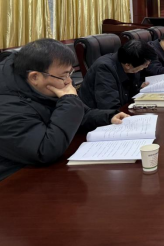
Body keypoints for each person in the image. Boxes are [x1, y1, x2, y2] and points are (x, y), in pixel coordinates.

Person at [0, 39, 129, 181]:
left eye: (70, 74)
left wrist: (108, 117)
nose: (69, 81)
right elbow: (44, 150)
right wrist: (70, 101)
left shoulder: (38, 87)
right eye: (63, 76)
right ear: (35, 77)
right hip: (14, 179)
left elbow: (78, 115)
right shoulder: (7, 106)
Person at [78, 40, 157, 110]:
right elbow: (109, 106)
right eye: (145, 65)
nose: (146, 66)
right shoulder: (105, 68)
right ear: (128, 65)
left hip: (122, 109)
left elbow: (129, 91)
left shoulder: (130, 62)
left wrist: (140, 87)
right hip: (97, 117)